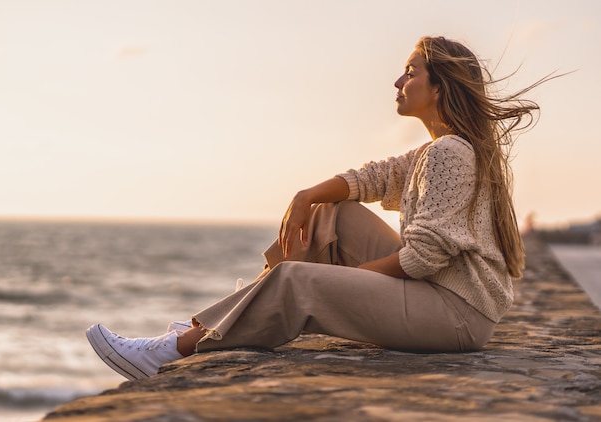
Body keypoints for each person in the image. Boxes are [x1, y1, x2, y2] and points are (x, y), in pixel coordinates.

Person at [86, 35, 546, 381]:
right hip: (448, 299)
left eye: (411, 72)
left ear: (441, 87)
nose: (398, 81)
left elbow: (423, 259)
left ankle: (175, 349)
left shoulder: (450, 153)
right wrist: (307, 196)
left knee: (297, 280)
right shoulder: (440, 149)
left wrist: (342, 281)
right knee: (332, 212)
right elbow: (374, 177)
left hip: (455, 316)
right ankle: (242, 312)